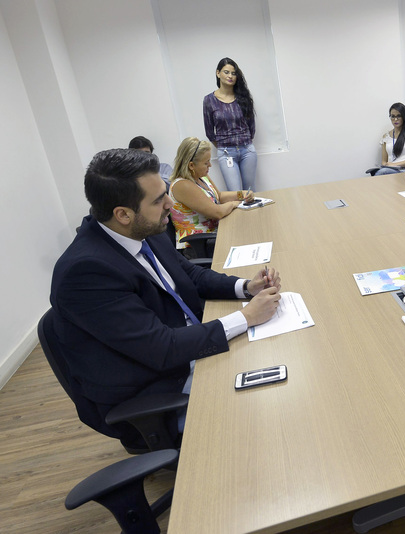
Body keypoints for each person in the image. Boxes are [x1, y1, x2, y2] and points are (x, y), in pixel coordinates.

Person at [49, 148, 281, 447]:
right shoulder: (85, 272)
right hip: (156, 387)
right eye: (159, 199)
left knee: (273, 359)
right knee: (267, 412)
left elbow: (190, 275)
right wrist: (246, 317)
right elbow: (162, 347)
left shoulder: (144, 229)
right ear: (123, 214)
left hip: (185, 347)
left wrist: (246, 287)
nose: (171, 204)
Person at [169, 137, 254, 258]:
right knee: (247, 238)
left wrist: (242, 194)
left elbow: (218, 196)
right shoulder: (182, 185)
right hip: (200, 244)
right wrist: (235, 203)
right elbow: (217, 212)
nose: (210, 165)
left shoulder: (201, 176)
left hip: (214, 235)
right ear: (191, 165)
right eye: (206, 163)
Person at [203, 57, 257, 191]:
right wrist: (225, 145)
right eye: (226, 72)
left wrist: (244, 142)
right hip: (226, 152)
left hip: (247, 150)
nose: (230, 76)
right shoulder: (209, 100)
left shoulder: (244, 97)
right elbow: (209, 132)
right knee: (235, 193)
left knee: (250, 192)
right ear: (218, 73)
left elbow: (251, 127)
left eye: (233, 73)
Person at [375, 102, 405, 175]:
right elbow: (384, 161)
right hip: (389, 170)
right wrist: (387, 165)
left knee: (382, 172)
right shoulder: (386, 137)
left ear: (404, 117)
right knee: (382, 172)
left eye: (398, 116)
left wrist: (394, 164)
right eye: (393, 116)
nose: (395, 119)